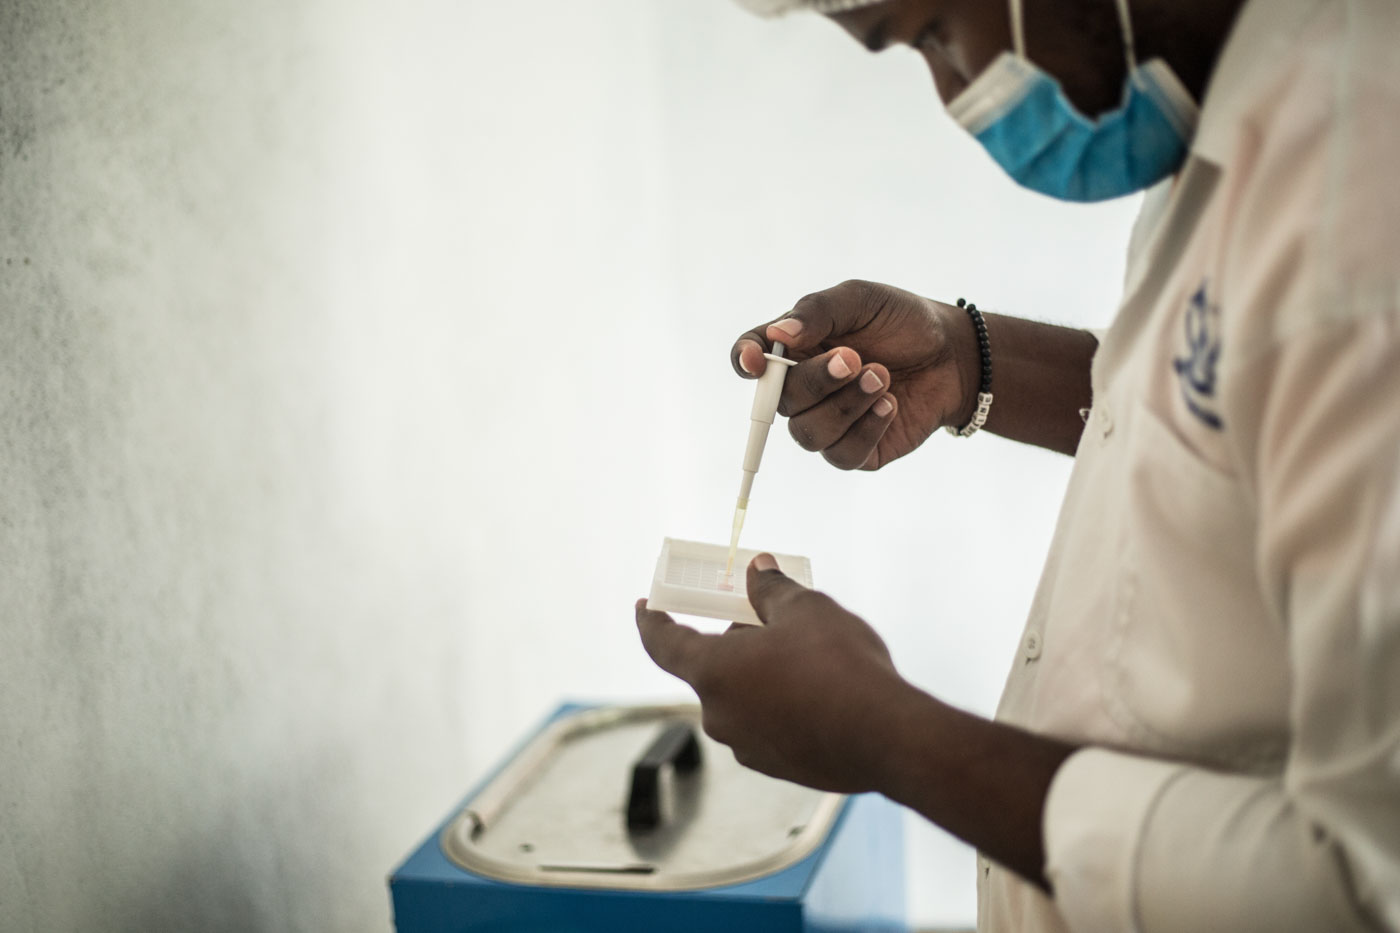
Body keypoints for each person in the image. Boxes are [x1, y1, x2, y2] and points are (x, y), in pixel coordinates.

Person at [635, 0, 1400, 930]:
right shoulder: (1231, 117)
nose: (954, 92)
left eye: (929, 35)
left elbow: (1360, 892)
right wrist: (968, 358)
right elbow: (1240, 405)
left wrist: (887, 735)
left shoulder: (1360, 233)